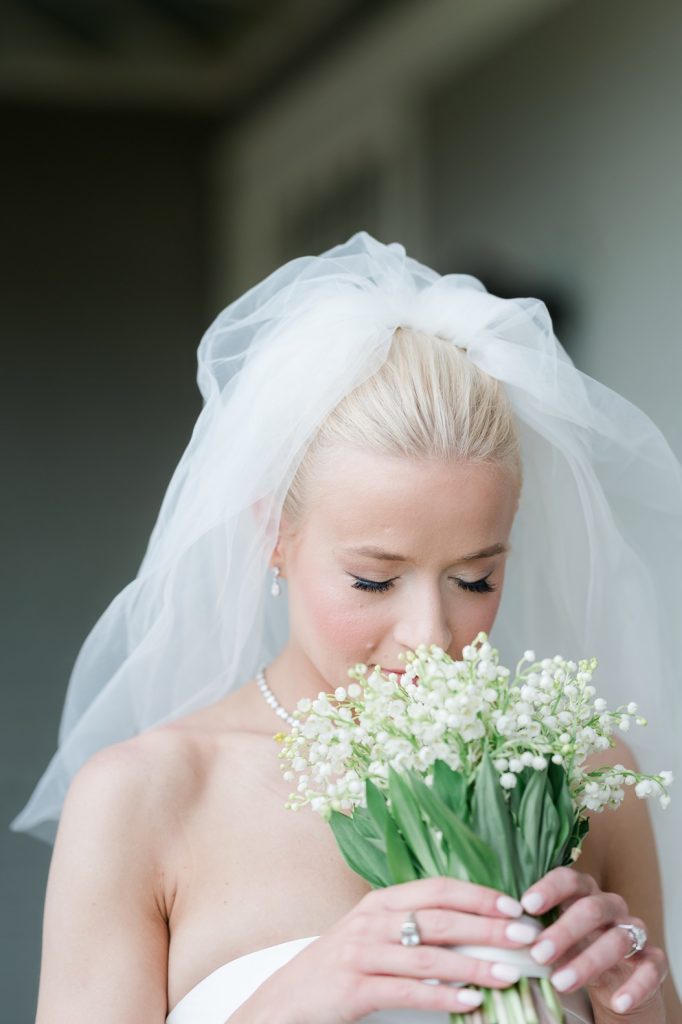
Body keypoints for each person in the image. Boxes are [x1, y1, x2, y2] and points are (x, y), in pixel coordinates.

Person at [11, 233, 682, 1023]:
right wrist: (298, 997)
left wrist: (634, 994)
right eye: (373, 579)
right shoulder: (144, 799)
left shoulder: (585, 784)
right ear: (275, 536)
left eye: (476, 578)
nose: (431, 635)